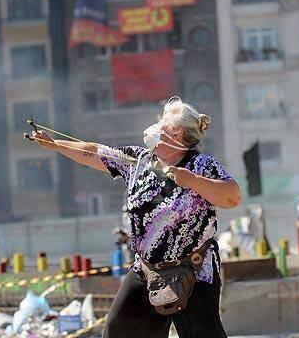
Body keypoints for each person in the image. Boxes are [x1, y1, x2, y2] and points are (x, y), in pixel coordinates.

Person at [31, 96, 241, 338]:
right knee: (118, 330)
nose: (157, 125)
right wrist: (55, 145)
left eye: (163, 121)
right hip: (147, 269)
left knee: (202, 333)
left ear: (178, 132)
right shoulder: (137, 160)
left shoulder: (201, 165)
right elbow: (93, 151)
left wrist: (192, 181)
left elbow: (232, 197)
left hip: (194, 269)